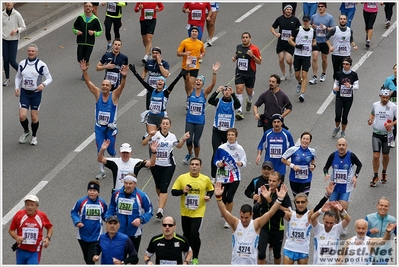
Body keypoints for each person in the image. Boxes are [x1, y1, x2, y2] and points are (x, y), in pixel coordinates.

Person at [214, 181, 288, 265]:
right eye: (242, 217)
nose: (244, 220)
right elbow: (224, 211)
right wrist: (218, 197)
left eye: (246, 218)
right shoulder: (235, 223)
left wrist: (280, 199)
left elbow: (270, 212)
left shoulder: (256, 224)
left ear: (251, 215)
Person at [80, 59, 128, 180]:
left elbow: (122, 86)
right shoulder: (97, 93)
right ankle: (102, 171)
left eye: (107, 85)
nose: (104, 87)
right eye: (103, 85)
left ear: (110, 87)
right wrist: (84, 71)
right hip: (99, 128)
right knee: (100, 148)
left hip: (110, 128)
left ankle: (118, 163)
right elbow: (88, 82)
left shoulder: (114, 95)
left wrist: (124, 77)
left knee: (111, 151)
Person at [143, 117, 190, 219]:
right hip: (155, 164)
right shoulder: (155, 134)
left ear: (170, 126)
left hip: (169, 165)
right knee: (158, 186)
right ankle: (160, 199)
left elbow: (179, 146)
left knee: (164, 188)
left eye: (167, 124)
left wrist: (184, 139)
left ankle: (160, 210)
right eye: (163, 123)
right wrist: (149, 136)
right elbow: (144, 143)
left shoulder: (172, 136)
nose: (165, 125)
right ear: (160, 125)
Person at [171, 157, 215, 265]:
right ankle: (188, 255)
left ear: (200, 167)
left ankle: (195, 257)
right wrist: (183, 191)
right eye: (192, 164)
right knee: (186, 234)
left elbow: (211, 189)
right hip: (185, 211)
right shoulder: (182, 178)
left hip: (198, 211)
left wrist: (208, 196)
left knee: (194, 233)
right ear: (190, 166)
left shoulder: (205, 179)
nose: (194, 166)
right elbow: (173, 192)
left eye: (196, 164)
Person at [281, 182, 335, 264]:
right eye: (298, 202)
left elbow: (317, 207)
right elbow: (276, 211)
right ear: (295, 203)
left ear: (307, 202)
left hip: (303, 250)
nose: (300, 204)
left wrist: (327, 195)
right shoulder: (290, 215)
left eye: (303, 202)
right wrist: (279, 199)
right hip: (289, 249)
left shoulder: (309, 215)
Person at [130, 63, 184, 139]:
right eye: (158, 80)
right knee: (151, 138)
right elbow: (143, 83)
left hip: (161, 117)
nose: (160, 81)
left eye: (162, 81)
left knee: (160, 138)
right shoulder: (152, 91)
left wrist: (180, 75)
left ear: (164, 84)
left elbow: (173, 84)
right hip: (152, 117)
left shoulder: (165, 93)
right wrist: (135, 72)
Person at [248, 170, 292, 264]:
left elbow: (289, 212)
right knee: (260, 254)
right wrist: (258, 202)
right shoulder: (264, 190)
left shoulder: (282, 193)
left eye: (274, 181)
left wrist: (271, 201)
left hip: (277, 228)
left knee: (277, 254)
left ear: (279, 182)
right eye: (270, 180)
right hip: (264, 228)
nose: (271, 183)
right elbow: (258, 204)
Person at [14, 43, 53, 146]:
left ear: (36, 52)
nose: (30, 53)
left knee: (34, 117)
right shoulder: (22, 63)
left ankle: (34, 136)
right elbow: (18, 77)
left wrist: (43, 84)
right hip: (24, 93)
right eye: (29, 51)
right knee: (22, 116)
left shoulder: (42, 65)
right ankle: (26, 131)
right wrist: (17, 87)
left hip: (36, 94)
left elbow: (49, 78)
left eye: (33, 51)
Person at [182, 61, 220, 163]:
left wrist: (214, 72)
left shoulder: (205, 93)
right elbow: (187, 79)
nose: (198, 81)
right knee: (189, 140)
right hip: (190, 120)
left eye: (200, 81)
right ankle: (190, 153)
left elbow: (213, 84)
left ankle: (196, 157)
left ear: (202, 84)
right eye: (197, 80)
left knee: (196, 141)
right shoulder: (191, 90)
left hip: (200, 121)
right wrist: (188, 67)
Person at [106, 174, 153, 254]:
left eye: (130, 183)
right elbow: (111, 208)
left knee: (133, 258)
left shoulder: (142, 196)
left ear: (135, 184)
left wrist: (141, 219)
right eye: (126, 183)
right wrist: (108, 219)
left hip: (134, 232)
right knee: (118, 257)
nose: (128, 186)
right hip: (119, 232)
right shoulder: (116, 194)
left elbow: (150, 211)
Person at [323, 137, 362, 234]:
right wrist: (326, 174)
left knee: (342, 208)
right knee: (333, 208)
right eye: (339, 145)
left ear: (346, 146)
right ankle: (336, 226)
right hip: (334, 187)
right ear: (336, 146)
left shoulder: (351, 156)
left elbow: (359, 164)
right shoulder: (333, 156)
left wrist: (355, 176)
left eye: (343, 145)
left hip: (346, 187)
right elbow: (325, 167)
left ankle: (344, 225)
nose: (341, 147)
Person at [213, 128, 247, 228]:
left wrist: (240, 163)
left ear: (236, 136)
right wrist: (218, 163)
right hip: (222, 177)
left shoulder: (240, 148)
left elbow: (244, 161)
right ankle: (224, 210)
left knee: (229, 198)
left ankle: (228, 219)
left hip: (235, 176)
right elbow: (215, 159)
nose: (230, 136)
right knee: (222, 198)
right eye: (229, 135)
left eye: (232, 135)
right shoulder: (221, 147)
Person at [208, 85, 241, 183]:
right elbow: (210, 101)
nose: (227, 92)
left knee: (228, 154)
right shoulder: (218, 101)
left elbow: (238, 105)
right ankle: (213, 176)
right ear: (223, 92)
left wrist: (234, 94)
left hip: (228, 133)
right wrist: (217, 91)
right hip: (217, 131)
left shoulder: (232, 103)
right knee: (216, 153)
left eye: (229, 90)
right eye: (225, 90)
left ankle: (227, 174)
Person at [70, 181, 108, 264]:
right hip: (82, 235)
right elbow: (74, 212)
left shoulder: (102, 202)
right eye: (90, 190)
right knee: (87, 259)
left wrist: (107, 219)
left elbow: (105, 213)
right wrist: (77, 221)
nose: (92, 192)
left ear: (98, 192)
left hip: (96, 235)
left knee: (91, 259)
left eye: (94, 190)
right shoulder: (81, 201)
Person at [9, 195, 53, 264]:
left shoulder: (41, 216)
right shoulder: (19, 215)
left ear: (36, 206)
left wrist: (48, 238)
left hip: (35, 251)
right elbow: (11, 230)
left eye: (32, 205)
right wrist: (17, 237)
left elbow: (50, 227)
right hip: (21, 250)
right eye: (27, 205)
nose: (29, 207)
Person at [368, 88, 397, 186]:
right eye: (383, 97)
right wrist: (370, 120)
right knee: (376, 155)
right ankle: (375, 175)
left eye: (387, 97)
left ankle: (384, 171)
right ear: (380, 96)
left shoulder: (393, 106)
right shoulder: (375, 105)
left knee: (385, 155)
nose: (385, 99)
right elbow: (372, 114)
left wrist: (392, 124)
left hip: (388, 135)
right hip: (376, 134)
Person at [256, 113, 295, 183]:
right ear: (272, 123)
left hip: (281, 165)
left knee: (279, 185)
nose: (276, 124)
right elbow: (261, 145)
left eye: (278, 122)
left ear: (282, 123)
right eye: (274, 122)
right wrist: (259, 155)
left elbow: (293, 149)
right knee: (269, 185)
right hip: (269, 164)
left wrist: (292, 162)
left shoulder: (287, 134)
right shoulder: (267, 133)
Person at [232, 32, 262, 120]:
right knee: (239, 90)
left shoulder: (254, 49)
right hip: (239, 73)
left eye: (246, 37)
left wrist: (252, 56)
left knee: (249, 92)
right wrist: (235, 58)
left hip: (250, 74)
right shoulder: (239, 47)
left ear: (250, 39)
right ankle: (239, 111)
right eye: (243, 37)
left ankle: (249, 100)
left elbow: (259, 62)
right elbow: (238, 54)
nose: (245, 39)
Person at [288, 14, 316, 102]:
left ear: (309, 21)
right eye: (304, 21)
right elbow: (290, 40)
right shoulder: (298, 29)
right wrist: (296, 45)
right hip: (298, 54)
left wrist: (314, 46)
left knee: (304, 74)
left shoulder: (312, 31)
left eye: (307, 21)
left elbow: (313, 41)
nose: (306, 23)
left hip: (306, 56)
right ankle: (299, 82)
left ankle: (302, 94)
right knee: (297, 75)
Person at [270, 5, 301, 82]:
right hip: (281, 42)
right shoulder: (280, 19)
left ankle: (291, 67)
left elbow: (300, 29)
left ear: (292, 11)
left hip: (290, 42)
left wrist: (296, 37)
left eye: (290, 9)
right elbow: (272, 27)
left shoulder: (295, 19)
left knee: (288, 60)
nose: (289, 11)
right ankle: (284, 74)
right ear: (284, 10)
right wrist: (275, 34)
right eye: (287, 9)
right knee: (281, 59)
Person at [73, 2, 103, 80]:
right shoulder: (80, 18)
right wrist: (77, 32)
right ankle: (84, 69)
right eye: (86, 6)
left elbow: (100, 31)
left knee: (86, 59)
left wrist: (94, 33)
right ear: (84, 8)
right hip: (81, 41)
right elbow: (74, 27)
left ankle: (84, 73)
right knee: (80, 58)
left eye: (90, 6)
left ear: (92, 8)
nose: (88, 8)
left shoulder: (95, 20)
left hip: (90, 43)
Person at [281, 131, 316, 197]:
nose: (305, 141)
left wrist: (313, 166)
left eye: (307, 139)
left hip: (306, 179)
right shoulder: (293, 149)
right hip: (294, 179)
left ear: (310, 141)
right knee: (297, 199)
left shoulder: (312, 151)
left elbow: (313, 160)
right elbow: (283, 159)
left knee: (303, 198)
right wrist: (293, 166)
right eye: (303, 138)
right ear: (300, 139)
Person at [331, 57, 359, 139]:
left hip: (348, 98)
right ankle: (336, 128)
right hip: (340, 97)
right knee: (337, 115)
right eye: (343, 64)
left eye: (347, 64)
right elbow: (335, 82)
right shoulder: (339, 73)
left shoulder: (354, 75)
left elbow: (357, 87)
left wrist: (350, 86)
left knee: (345, 116)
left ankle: (343, 132)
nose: (345, 65)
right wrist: (335, 88)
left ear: (350, 65)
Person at [309, 2, 335, 84]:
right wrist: (312, 27)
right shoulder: (314, 16)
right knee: (315, 57)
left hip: (325, 41)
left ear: (325, 7)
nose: (320, 8)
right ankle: (314, 76)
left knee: (324, 59)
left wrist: (326, 28)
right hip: (316, 41)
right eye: (319, 7)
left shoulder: (330, 17)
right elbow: (309, 26)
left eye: (322, 7)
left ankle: (323, 73)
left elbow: (333, 29)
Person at [326, 15, 358, 81]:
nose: (342, 20)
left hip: (346, 54)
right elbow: (326, 37)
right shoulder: (334, 29)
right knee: (336, 71)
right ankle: (336, 85)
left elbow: (351, 39)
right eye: (341, 19)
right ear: (339, 20)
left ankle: (342, 85)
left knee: (344, 71)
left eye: (344, 19)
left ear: (346, 20)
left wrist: (354, 45)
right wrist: (330, 46)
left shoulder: (349, 30)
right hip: (336, 54)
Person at [177, 26, 206, 97]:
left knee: (191, 84)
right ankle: (188, 96)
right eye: (193, 31)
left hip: (195, 66)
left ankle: (190, 99)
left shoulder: (200, 43)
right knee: (187, 83)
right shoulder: (184, 42)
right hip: (185, 66)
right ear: (190, 33)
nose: (194, 33)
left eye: (196, 32)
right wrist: (184, 53)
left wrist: (201, 56)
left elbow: (203, 52)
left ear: (198, 34)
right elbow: (178, 53)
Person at [2, 2, 26, 87]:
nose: (9, 3)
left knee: (12, 61)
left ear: (13, 4)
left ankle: (23, 74)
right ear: (5, 3)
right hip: (4, 40)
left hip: (13, 40)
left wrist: (16, 30)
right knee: (5, 60)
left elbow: (23, 27)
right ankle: (7, 79)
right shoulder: (2, 14)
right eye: (7, 2)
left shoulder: (17, 14)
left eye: (10, 2)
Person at [141, 47, 170, 114]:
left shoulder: (165, 63)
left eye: (156, 53)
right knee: (149, 108)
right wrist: (143, 76)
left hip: (160, 91)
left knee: (159, 109)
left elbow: (165, 74)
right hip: (150, 89)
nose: (154, 55)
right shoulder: (149, 62)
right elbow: (145, 70)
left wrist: (159, 63)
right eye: (153, 53)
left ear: (160, 54)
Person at [383, 63, 397, 147]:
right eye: (394, 69)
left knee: (395, 122)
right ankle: (386, 137)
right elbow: (382, 89)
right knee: (388, 121)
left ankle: (392, 139)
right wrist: (388, 93)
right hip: (390, 104)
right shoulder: (389, 79)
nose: (396, 70)